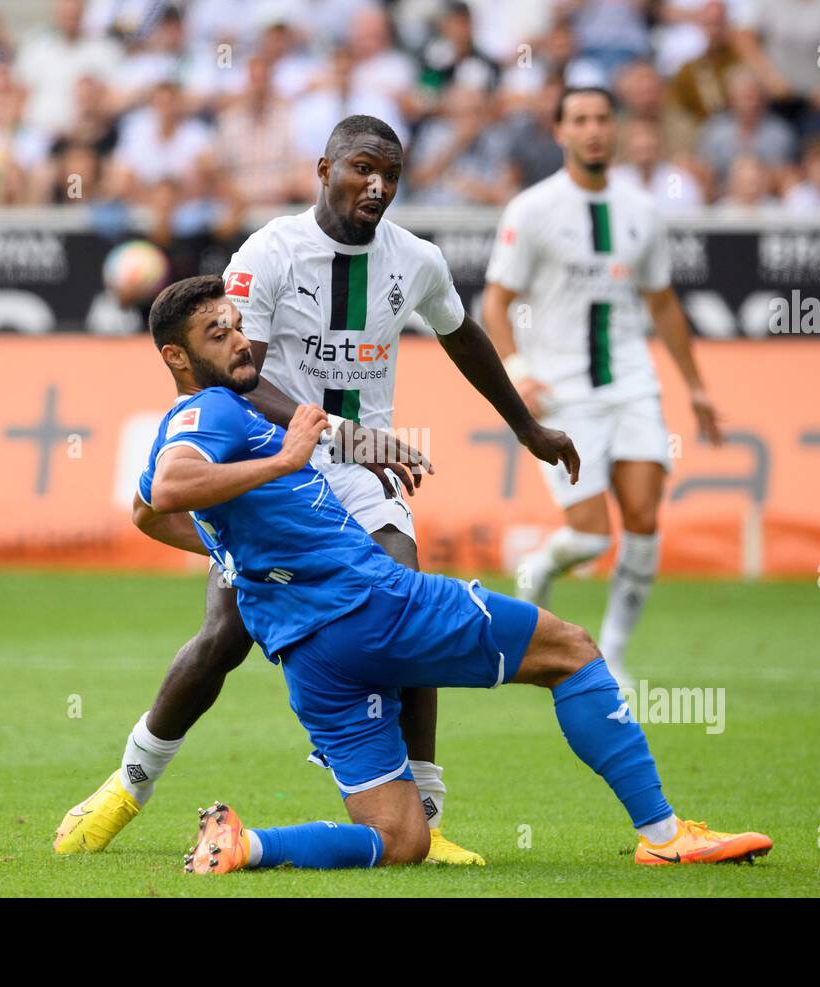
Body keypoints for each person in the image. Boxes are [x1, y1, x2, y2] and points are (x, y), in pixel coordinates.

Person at [54, 114, 578, 866]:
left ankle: (423, 815)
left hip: (369, 476)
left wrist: (527, 427)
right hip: (279, 470)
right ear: (323, 167)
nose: (377, 186)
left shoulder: (417, 260)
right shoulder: (270, 253)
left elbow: (463, 334)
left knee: (406, 602)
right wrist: (338, 435)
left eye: (390, 175)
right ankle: (127, 786)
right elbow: (242, 376)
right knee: (222, 639)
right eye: (363, 168)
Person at [135, 273, 772, 873]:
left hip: (312, 659)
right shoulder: (212, 410)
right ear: (176, 358)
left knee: (400, 839)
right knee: (572, 652)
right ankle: (663, 839)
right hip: (374, 608)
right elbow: (169, 488)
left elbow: (144, 512)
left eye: (238, 325)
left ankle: (244, 846)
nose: (241, 341)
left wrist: (236, 555)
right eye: (218, 335)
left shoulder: (197, 422)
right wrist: (290, 459)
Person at [482, 87, 723, 690]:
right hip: (562, 391)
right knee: (591, 536)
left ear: (614, 130)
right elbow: (497, 301)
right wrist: (516, 372)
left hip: (633, 385)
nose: (593, 130)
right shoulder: (532, 209)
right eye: (580, 119)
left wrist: (695, 386)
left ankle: (611, 653)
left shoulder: (643, 210)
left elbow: (663, 303)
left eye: (602, 119)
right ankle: (541, 564)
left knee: (644, 517)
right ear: (559, 130)